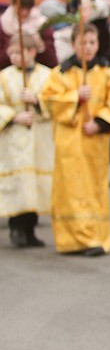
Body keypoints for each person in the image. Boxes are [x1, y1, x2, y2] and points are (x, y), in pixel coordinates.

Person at [39, 27, 110, 256]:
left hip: (94, 142)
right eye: (82, 42)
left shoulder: (108, 72)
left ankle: (94, 237)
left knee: (93, 190)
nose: (87, 47)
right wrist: (75, 97)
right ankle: (72, 239)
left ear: (97, 44)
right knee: (70, 190)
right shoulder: (61, 73)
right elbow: (48, 102)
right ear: (73, 44)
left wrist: (100, 123)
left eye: (91, 42)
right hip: (69, 142)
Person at [0, 29, 54, 247]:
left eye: (19, 52)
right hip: (15, 138)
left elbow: (55, 101)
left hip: (39, 137)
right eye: (11, 53)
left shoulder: (47, 75)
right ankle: (16, 226)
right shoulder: (4, 77)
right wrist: (14, 116)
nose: (14, 57)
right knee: (19, 183)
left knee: (36, 186)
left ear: (32, 52)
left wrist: (37, 101)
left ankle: (31, 228)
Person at [0, 0, 59, 69]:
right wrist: (11, 50)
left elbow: (53, 63)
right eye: (21, 8)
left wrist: (41, 46)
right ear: (13, 4)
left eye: (28, 8)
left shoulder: (43, 25)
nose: (24, 12)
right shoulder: (3, 24)